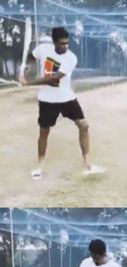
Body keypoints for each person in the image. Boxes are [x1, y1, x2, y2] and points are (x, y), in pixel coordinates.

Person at [18, 27, 105, 180]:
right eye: (61, 44)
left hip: (66, 98)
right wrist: (26, 69)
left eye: (66, 43)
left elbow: (54, 78)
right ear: (54, 42)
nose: (65, 46)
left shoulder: (71, 58)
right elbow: (32, 57)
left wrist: (29, 82)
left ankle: (87, 165)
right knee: (44, 132)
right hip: (47, 99)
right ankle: (40, 167)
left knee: (84, 126)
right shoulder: (43, 49)